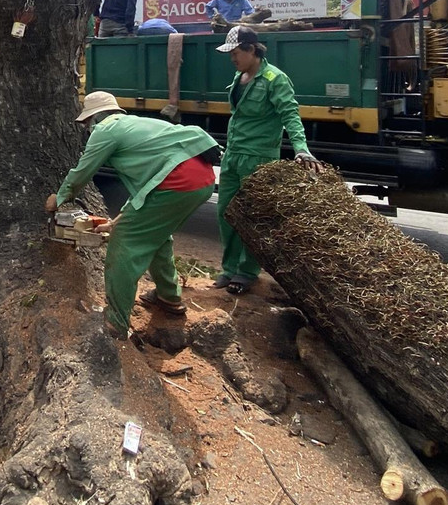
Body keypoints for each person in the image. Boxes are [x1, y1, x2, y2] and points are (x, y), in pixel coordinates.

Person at [46, 91, 221, 339]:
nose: (86, 128)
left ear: (94, 117)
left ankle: (115, 322)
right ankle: (168, 298)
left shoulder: (105, 130)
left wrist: (60, 197)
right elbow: (145, 188)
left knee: (125, 242)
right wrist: (117, 220)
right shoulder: (136, 124)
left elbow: (84, 169)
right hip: (201, 179)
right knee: (157, 236)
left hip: (177, 181)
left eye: (86, 122)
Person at [214, 26, 323, 295]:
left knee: (252, 217)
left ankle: (247, 272)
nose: (232, 58)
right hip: (233, 155)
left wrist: (301, 148)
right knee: (225, 212)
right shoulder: (239, 75)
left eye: (236, 53)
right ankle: (228, 269)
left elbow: (290, 115)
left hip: (258, 158)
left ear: (252, 50)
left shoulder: (275, 79)